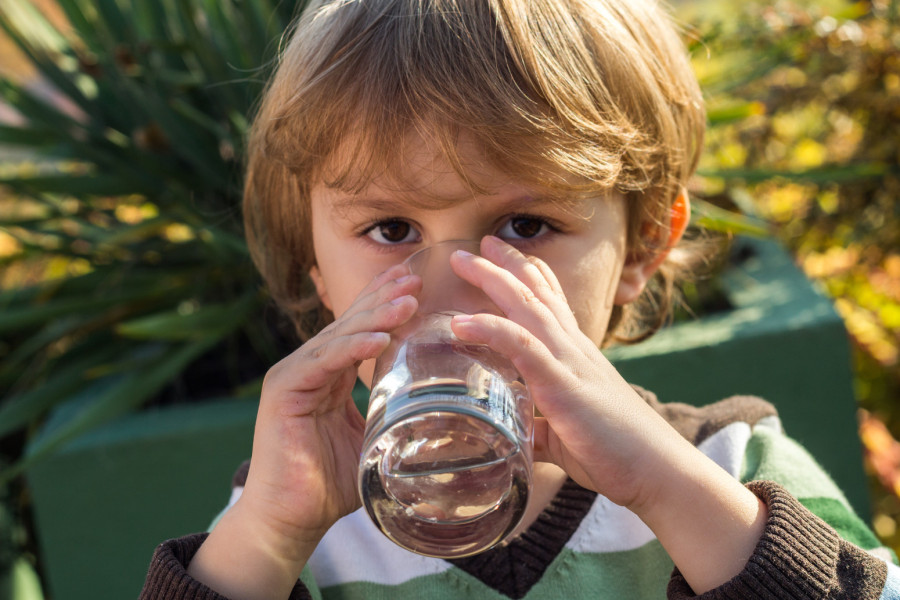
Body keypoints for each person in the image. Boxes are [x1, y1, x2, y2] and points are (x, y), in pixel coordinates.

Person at [139, 0, 899, 598]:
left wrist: (671, 491)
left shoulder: (731, 467)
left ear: (639, 248)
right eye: (392, 227)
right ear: (317, 269)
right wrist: (267, 539)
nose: (453, 283)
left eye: (525, 225)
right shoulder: (289, 520)